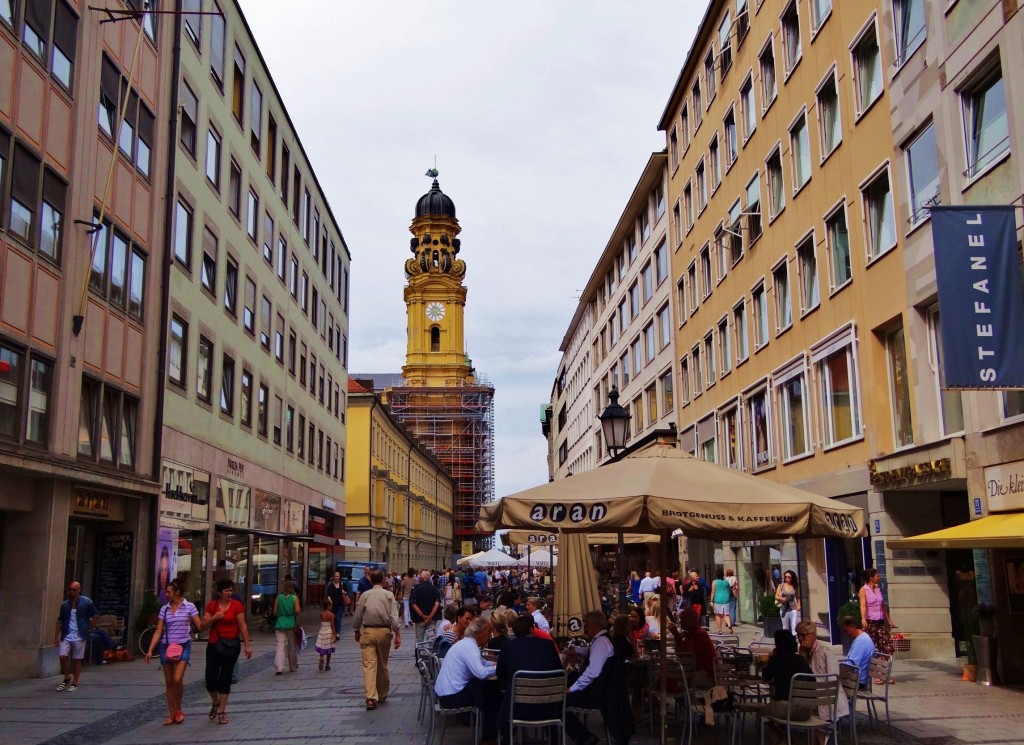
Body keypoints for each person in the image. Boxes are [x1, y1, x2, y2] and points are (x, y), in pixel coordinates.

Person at [497, 613, 564, 741]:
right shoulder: (547, 646)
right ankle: (554, 740)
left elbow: (500, 674)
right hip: (547, 706)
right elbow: (559, 671)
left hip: (516, 707)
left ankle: (506, 738)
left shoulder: (508, 647)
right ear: (532, 628)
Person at [145, 578, 203, 725]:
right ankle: (172, 713)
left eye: (169, 592)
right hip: (166, 646)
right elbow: (158, 631)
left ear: (177, 592)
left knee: (177, 679)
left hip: (183, 645)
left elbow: (200, 625)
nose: (166, 594)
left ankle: (179, 708)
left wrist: (212, 619)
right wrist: (150, 650)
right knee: (170, 682)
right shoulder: (164, 609)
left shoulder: (189, 607)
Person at [434, 617, 499, 745]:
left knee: (486, 690)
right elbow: (480, 672)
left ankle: (488, 731)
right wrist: (499, 668)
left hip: (445, 694)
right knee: (491, 692)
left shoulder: (465, 643)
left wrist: (494, 664)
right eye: (489, 632)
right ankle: (489, 736)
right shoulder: (470, 647)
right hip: (451, 697)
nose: (490, 636)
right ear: (481, 632)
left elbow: (482, 663)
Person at [203, 578, 252, 725]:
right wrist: (214, 618)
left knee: (225, 677)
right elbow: (202, 626)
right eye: (226, 591)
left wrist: (247, 645)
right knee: (210, 679)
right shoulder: (212, 605)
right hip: (214, 645)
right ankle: (216, 702)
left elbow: (242, 626)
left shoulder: (237, 605)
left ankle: (222, 711)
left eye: (231, 590)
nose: (229, 593)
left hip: (231, 645)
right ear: (220, 592)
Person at [353, 569, 401, 710]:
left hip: (368, 631)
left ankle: (370, 697)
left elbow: (358, 615)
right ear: (382, 580)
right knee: (382, 664)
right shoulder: (389, 595)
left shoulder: (365, 595)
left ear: (371, 581)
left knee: (369, 665)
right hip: (384, 632)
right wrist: (397, 633)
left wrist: (356, 629)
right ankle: (382, 694)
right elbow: (393, 616)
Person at [797, 619, 848, 737]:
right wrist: (802, 656)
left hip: (827, 701)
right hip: (813, 698)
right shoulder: (806, 652)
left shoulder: (826, 652)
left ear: (813, 635)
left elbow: (832, 680)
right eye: (798, 635)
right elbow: (804, 677)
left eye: (803, 635)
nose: (800, 639)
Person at [760, 629, 813, 725]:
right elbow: (812, 680)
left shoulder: (775, 660)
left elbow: (765, 677)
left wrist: (771, 659)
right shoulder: (801, 660)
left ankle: (780, 738)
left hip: (784, 707)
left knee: (762, 712)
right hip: (805, 710)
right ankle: (785, 735)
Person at [54, 581, 99, 692]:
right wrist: (56, 636)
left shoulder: (86, 602)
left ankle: (75, 682)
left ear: (79, 590)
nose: (72, 592)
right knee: (62, 656)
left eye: (74, 590)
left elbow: (96, 615)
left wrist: (90, 627)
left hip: (80, 634)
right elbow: (60, 620)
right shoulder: (65, 604)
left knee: (76, 660)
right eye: (70, 589)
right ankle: (67, 677)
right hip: (66, 634)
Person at [667, 607, 717, 689]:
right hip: (692, 670)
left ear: (693, 620)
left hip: (705, 674)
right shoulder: (689, 634)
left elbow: (687, 655)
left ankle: (690, 700)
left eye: (683, 619)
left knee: (680, 682)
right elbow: (679, 653)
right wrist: (678, 637)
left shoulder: (700, 634)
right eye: (680, 619)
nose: (681, 622)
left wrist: (677, 636)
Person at [859, 568, 896, 672]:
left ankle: (883, 672)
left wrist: (889, 620)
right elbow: (863, 605)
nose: (879, 578)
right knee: (874, 649)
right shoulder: (863, 590)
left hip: (880, 621)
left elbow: (882, 605)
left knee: (888, 647)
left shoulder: (878, 589)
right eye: (877, 576)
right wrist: (863, 618)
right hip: (870, 622)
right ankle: (876, 674)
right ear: (871, 578)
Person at [273, 579, 301, 674]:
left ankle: (279, 668)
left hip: (280, 624)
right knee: (291, 645)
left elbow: (274, 612)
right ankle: (292, 666)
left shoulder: (279, 598)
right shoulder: (294, 598)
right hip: (291, 624)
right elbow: (297, 611)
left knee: (279, 646)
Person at [841, 615, 876, 688]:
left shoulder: (860, 641)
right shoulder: (863, 637)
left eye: (846, 630)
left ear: (852, 626)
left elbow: (851, 665)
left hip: (858, 682)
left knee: (830, 683)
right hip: (860, 679)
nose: (845, 634)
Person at [409, 569, 441, 643]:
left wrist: (422, 615)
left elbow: (413, 604)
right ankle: (432, 652)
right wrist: (430, 617)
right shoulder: (435, 589)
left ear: (422, 579)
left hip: (420, 618)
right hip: (432, 618)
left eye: (420, 577)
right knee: (431, 638)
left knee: (419, 639)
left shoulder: (416, 589)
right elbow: (437, 604)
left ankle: (420, 653)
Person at [775, 570, 801, 636]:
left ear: (792, 578)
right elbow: (776, 596)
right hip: (783, 608)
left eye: (789, 577)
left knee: (794, 626)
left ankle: (794, 642)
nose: (787, 578)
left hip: (793, 608)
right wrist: (782, 598)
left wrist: (798, 605)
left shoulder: (794, 586)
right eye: (785, 577)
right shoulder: (781, 586)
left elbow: (798, 597)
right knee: (785, 627)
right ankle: (786, 643)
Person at [325, 571, 349, 636]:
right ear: (333, 577)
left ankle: (337, 633)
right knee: (333, 618)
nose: (337, 577)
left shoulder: (342, 584)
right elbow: (328, 595)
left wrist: (345, 592)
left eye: (338, 576)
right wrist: (330, 600)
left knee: (338, 618)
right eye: (336, 576)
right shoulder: (330, 585)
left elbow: (347, 592)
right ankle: (333, 631)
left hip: (340, 605)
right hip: (333, 605)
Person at [315, 598, 336, 671]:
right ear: (328, 606)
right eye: (331, 605)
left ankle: (321, 657)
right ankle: (327, 665)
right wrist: (334, 634)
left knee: (322, 647)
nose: (332, 606)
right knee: (329, 648)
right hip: (329, 632)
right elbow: (333, 625)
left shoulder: (321, 614)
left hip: (322, 631)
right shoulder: (331, 615)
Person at [711, 568, 733, 633]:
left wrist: (711, 600)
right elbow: (729, 590)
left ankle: (720, 630)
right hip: (726, 599)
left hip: (718, 599)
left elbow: (713, 591)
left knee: (718, 615)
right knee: (726, 614)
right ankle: (729, 624)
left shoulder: (714, 582)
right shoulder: (726, 582)